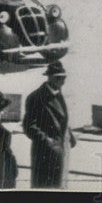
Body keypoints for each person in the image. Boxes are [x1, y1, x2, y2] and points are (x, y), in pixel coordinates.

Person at [24, 61, 76, 189]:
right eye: (59, 78)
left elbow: (62, 119)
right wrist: (49, 143)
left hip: (61, 150)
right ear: (50, 78)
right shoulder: (36, 97)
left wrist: (70, 136)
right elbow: (29, 126)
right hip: (45, 154)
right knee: (46, 188)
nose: (63, 81)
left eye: (64, 78)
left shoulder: (58, 93)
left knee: (59, 186)